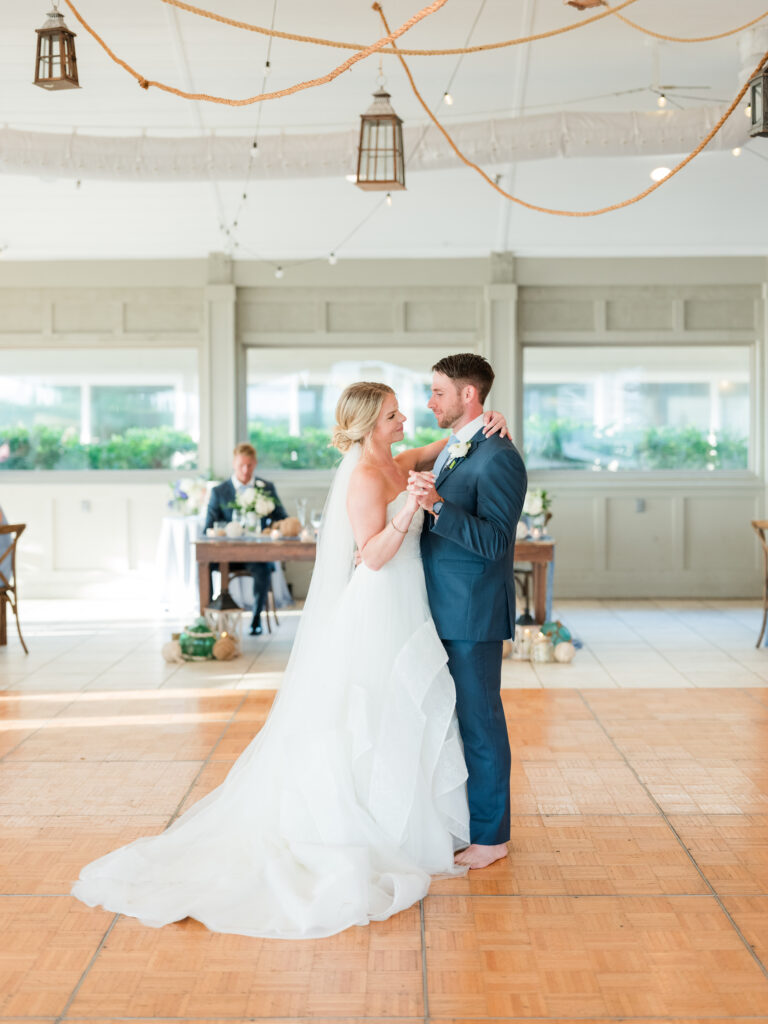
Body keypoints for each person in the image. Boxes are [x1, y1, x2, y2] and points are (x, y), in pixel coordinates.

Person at [70, 383, 509, 940]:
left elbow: (446, 447)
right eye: (395, 415)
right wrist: (408, 515)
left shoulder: (396, 461)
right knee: (374, 712)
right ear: (372, 425)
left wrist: (488, 418)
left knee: (407, 710)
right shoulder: (366, 477)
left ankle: (410, 819)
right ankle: (377, 824)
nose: (405, 421)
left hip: (411, 602)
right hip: (381, 604)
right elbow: (370, 557)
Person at [407, 354, 527, 870]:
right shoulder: (462, 446)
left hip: (473, 612)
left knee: (481, 722)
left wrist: (437, 506)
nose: (430, 401)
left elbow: (497, 540)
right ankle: (465, 822)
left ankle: (493, 836)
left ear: (468, 395)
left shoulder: (499, 457)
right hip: (440, 609)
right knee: (453, 722)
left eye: (437, 392)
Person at [204, 442, 287, 634]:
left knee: (263, 570)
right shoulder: (219, 491)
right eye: (241, 465)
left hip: (256, 554)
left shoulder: (266, 488)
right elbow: (208, 526)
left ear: (255, 464)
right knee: (205, 565)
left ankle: (256, 620)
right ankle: (209, 619)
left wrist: (272, 527)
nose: (245, 470)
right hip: (227, 555)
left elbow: (282, 518)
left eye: (249, 465)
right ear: (234, 464)